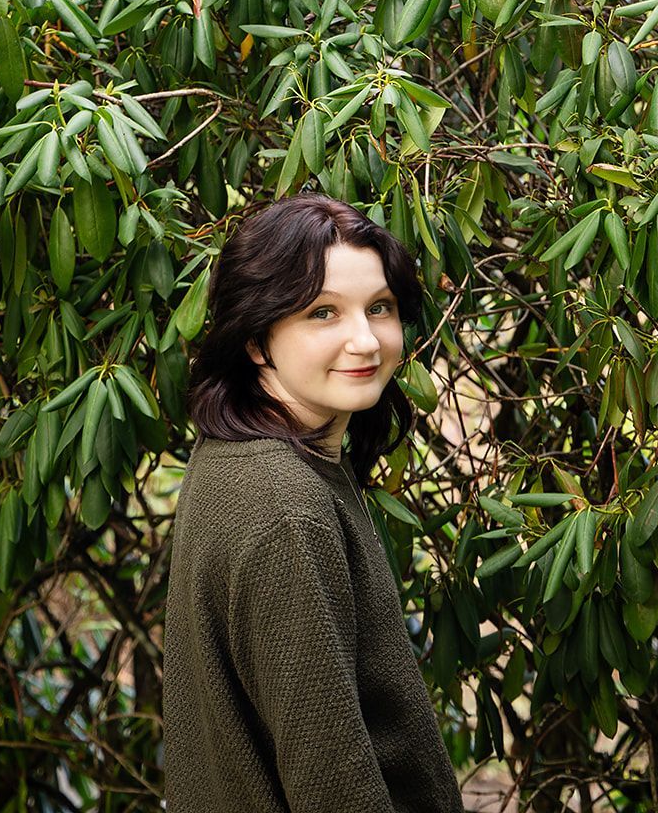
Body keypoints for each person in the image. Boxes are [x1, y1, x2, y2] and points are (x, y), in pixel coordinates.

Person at [162, 192, 466, 813]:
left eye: (378, 308)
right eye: (323, 313)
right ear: (256, 339)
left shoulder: (239, 457)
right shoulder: (284, 510)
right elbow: (331, 781)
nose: (365, 341)